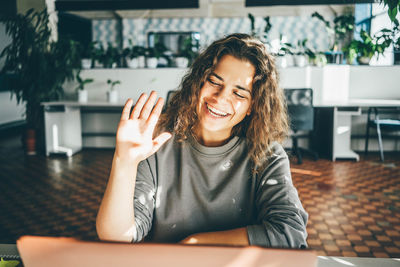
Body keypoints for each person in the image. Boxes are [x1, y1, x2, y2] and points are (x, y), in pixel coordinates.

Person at [96, 33, 308, 248]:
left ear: (252, 106)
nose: (220, 98)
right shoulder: (156, 141)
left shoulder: (267, 154)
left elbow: (289, 233)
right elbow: (116, 236)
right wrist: (125, 162)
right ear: (198, 82)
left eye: (239, 93)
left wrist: (195, 242)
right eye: (214, 81)